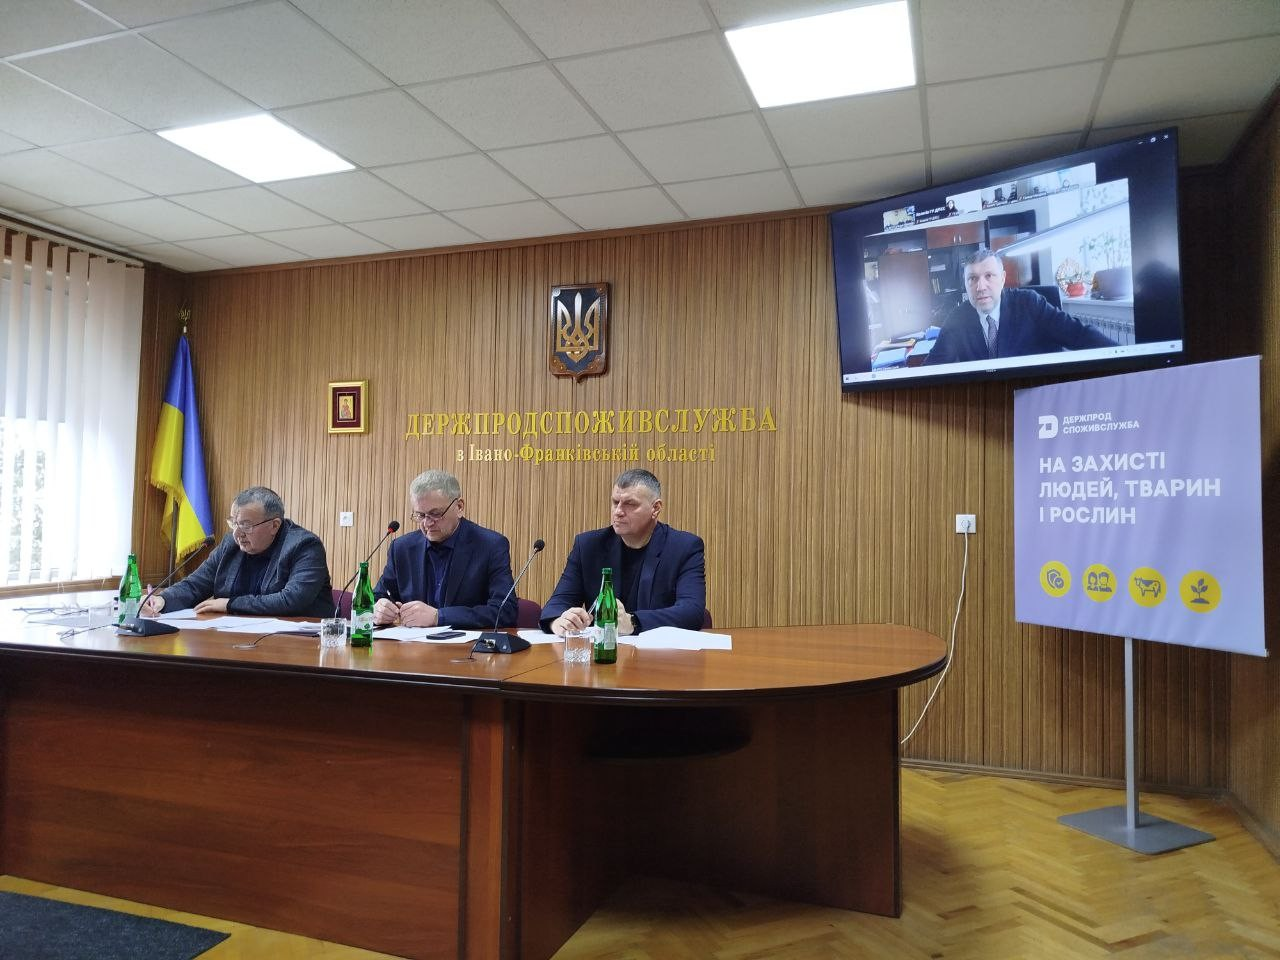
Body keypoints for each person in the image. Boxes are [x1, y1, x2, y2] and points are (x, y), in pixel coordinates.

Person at [542, 468, 705, 636]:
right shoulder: (588, 546)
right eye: (615, 502)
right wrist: (559, 621)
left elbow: (692, 611)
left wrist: (633, 621)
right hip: (603, 649)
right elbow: (557, 604)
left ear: (655, 508)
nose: (618, 511)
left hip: (658, 651)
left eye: (630, 504)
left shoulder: (683, 547)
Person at [142, 486, 332, 617]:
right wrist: (162, 599)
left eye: (246, 525)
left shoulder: (304, 546)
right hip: (236, 638)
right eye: (234, 523)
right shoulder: (231, 544)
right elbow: (195, 585)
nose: (237, 533)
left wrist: (230, 604)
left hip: (297, 644)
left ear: (274, 525)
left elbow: (292, 600)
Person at [373, 469, 515, 629]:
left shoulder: (491, 545)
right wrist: (378, 609)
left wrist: (439, 617)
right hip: (411, 643)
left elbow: (505, 611)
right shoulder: (402, 548)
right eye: (420, 515)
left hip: (467, 644)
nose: (427, 523)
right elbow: (376, 598)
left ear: (459, 507)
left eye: (435, 514)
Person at [925, 247, 1116, 365]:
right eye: (972, 279)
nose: (980, 287)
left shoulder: (1029, 303)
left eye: (989, 276)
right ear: (966, 285)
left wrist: (1123, 358)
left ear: (1003, 279)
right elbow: (934, 365)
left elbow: (1079, 335)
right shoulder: (958, 317)